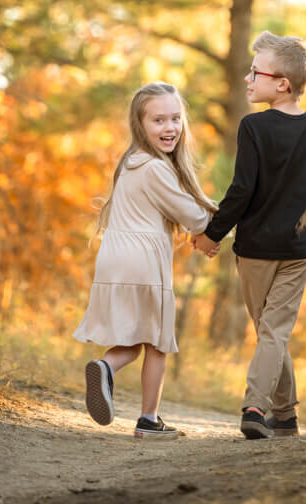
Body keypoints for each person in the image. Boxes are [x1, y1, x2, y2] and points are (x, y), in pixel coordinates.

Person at [193, 31, 306, 440]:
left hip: (257, 251)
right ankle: (285, 414)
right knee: (274, 332)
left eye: (255, 71)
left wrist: (212, 234)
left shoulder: (253, 127)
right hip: (298, 249)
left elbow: (241, 190)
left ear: (282, 83)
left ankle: (254, 407)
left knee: (270, 330)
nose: (248, 78)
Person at [74, 81, 217, 439]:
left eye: (175, 118)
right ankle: (149, 420)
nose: (169, 128)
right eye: (158, 120)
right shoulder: (155, 168)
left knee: (137, 340)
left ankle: (105, 366)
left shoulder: (130, 161)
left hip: (113, 259)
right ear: (140, 124)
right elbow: (195, 218)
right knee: (156, 343)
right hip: (142, 261)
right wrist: (210, 234)